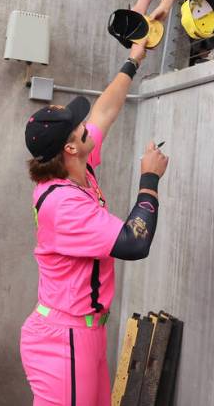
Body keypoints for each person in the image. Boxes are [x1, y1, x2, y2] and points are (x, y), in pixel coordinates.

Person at [20, 41, 168, 406]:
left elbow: (105, 109)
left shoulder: (76, 168)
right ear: (69, 148)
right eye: (78, 126)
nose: (87, 125)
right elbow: (134, 244)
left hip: (84, 333)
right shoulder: (63, 203)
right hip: (64, 337)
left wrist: (133, 59)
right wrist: (149, 180)